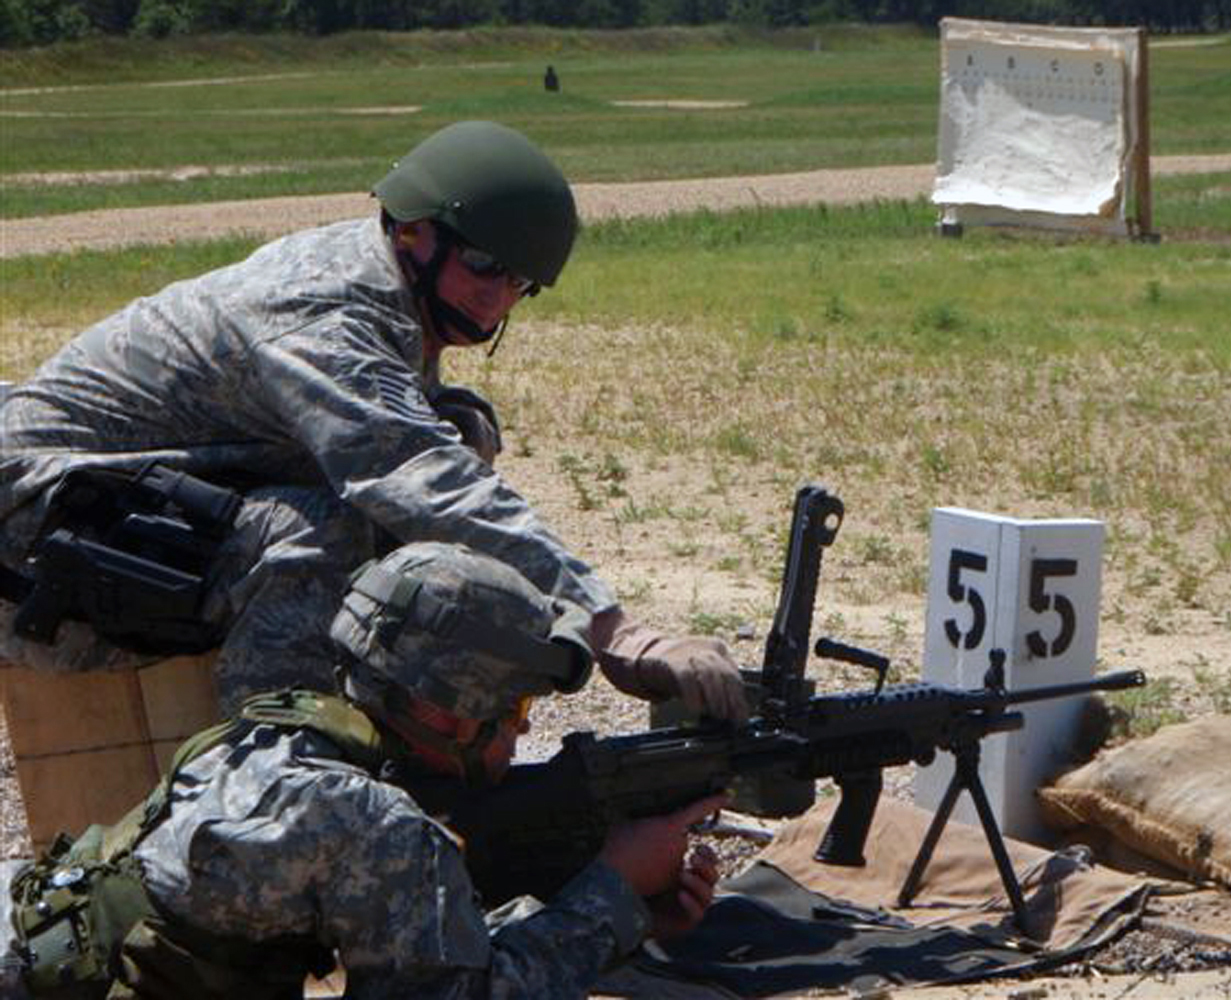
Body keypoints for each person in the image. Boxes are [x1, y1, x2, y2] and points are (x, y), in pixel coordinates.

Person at [0, 119, 747, 721]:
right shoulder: (321, 310)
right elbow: (422, 483)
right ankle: (278, 782)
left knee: (447, 446)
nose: (498, 298)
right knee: (324, 533)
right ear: (413, 230)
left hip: (110, 506)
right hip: (30, 538)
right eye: (486, 265)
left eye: (522, 283)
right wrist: (610, 626)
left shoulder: (389, 288)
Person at [1, 541, 725, 999]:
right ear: (446, 713)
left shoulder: (277, 729)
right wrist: (613, 889)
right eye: (516, 708)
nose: (522, 731)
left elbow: (424, 949)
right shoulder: (379, 823)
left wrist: (626, 914)